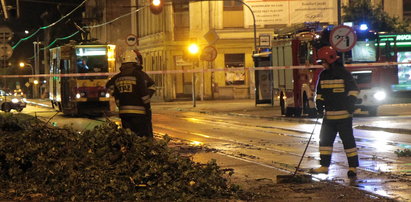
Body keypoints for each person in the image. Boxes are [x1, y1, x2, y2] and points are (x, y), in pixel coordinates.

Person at [309, 46, 360, 178]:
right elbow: (319, 94)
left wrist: (350, 103)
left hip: (344, 117)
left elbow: (354, 90)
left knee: (348, 143)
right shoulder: (323, 75)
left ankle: (352, 168)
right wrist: (319, 105)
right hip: (329, 117)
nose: (322, 65)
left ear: (330, 60)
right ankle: (324, 166)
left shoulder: (344, 74)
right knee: (324, 141)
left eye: (323, 62)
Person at [106, 50, 153, 139]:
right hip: (139, 114)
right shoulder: (138, 75)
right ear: (135, 61)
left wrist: (118, 98)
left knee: (128, 137)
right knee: (140, 138)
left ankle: (130, 151)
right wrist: (147, 107)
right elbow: (144, 94)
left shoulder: (117, 77)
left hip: (124, 113)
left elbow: (109, 86)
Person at [134, 50, 156, 137]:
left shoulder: (121, 76)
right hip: (142, 110)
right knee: (144, 134)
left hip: (127, 112)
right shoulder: (141, 75)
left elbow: (151, 86)